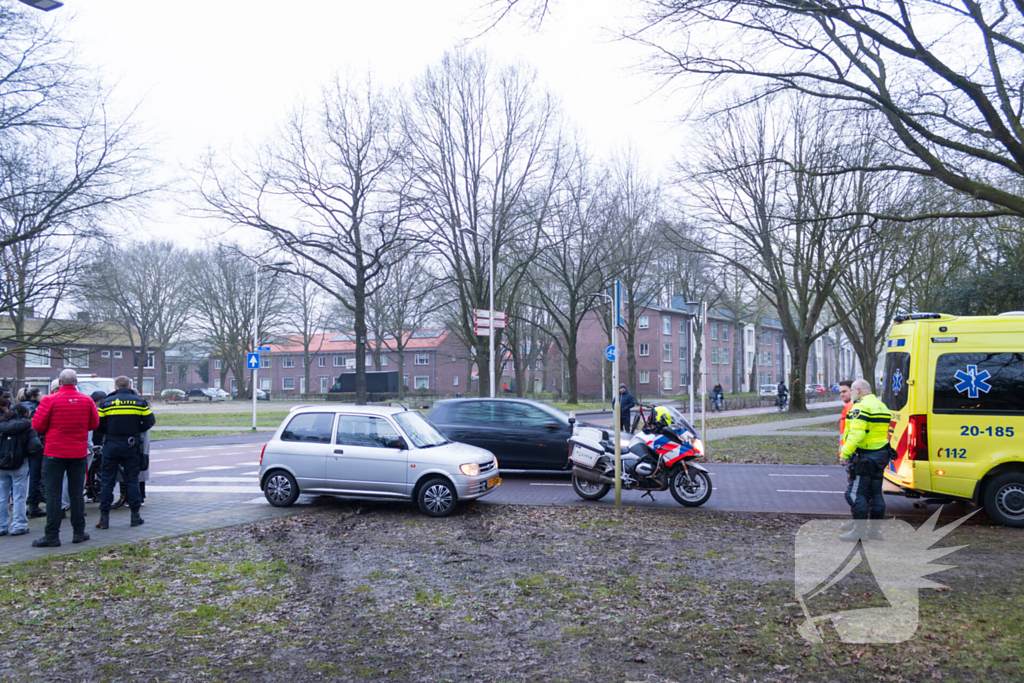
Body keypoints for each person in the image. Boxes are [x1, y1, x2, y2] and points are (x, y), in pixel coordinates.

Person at [30, 369, 99, 547]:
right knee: (76, 493)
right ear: (76, 383)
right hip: (78, 452)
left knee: (53, 494)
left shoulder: (48, 400)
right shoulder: (86, 400)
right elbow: (94, 424)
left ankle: (52, 535)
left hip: (54, 452)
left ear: (59, 383)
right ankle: (78, 532)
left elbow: (37, 425)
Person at [95, 377, 155, 530]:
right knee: (132, 480)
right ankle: (135, 516)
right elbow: (150, 421)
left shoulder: (106, 403)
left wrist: (107, 433)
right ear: (129, 386)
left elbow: (98, 425)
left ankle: (104, 519)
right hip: (130, 444)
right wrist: (136, 429)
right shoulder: (139, 401)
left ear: (115, 387)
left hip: (111, 444)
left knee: (107, 481)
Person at [839, 379, 893, 542]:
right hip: (882, 454)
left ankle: (859, 531)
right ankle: (876, 531)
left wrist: (845, 454)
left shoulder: (861, 407)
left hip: (865, 457)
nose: (853, 395)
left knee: (855, 493)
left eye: (853, 392)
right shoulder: (881, 406)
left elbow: (857, 434)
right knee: (876, 493)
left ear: (859, 390)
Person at [0, 404, 42, 536]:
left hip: (2, 464)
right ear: (26, 413)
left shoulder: (2, 425)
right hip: (20, 463)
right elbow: (35, 446)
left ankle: (1, 525)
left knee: (2, 497)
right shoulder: (28, 426)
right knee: (19, 496)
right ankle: (18, 525)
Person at [19, 387, 45, 519]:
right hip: (35, 446)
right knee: (35, 476)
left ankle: (19, 507)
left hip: (18, 448)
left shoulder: (16, 408)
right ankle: (34, 506)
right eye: (40, 395)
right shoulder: (37, 409)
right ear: (33, 397)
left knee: (19, 478)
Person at [835, 380, 856, 531]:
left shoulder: (851, 407)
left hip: (851, 455)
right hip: (850, 453)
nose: (842, 394)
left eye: (844, 391)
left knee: (853, 492)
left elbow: (852, 434)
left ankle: (858, 523)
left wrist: (844, 454)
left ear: (853, 391)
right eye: (840, 392)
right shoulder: (849, 406)